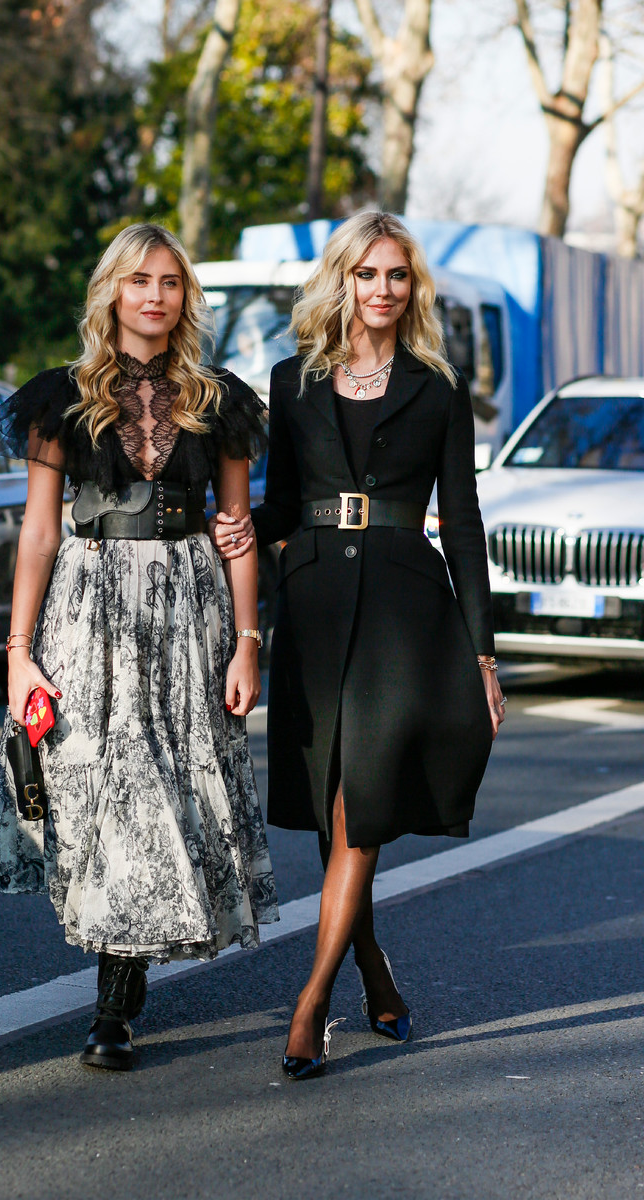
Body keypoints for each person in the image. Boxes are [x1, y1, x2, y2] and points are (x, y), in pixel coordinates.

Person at [0, 223, 278, 1071]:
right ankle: (119, 974)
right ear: (111, 291)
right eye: (139, 280)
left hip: (188, 610)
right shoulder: (60, 397)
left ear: (185, 298)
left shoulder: (220, 399)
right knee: (97, 782)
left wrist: (247, 642)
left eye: (170, 282)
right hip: (87, 607)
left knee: (161, 781)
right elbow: (39, 531)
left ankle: (114, 1005)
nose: (154, 295)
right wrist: (18, 651)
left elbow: (237, 530)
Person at [211, 211, 504, 1080]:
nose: (383, 289)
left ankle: (310, 1005)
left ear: (414, 287)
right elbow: (284, 500)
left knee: (361, 804)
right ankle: (374, 970)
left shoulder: (438, 388)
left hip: (405, 616)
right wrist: (240, 527)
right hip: (316, 606)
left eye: (397, 275)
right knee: (333, 801)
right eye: (368, 273)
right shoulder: (292, 380)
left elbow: (465, 524)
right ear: (342, 279)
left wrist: (484, 656)